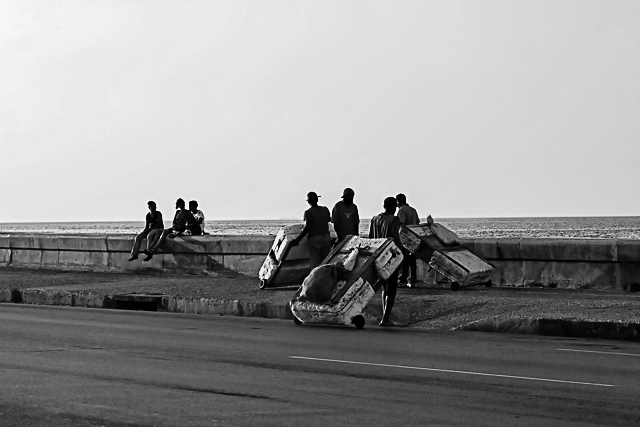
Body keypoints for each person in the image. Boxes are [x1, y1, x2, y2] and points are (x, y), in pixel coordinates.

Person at [369, 196, 403, 326]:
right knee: (391, 287)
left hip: (378, 257)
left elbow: (371, 238)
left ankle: (385, 317)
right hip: (390, 257)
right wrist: (401, 255)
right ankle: (386, 318)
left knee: (384, 286)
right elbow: (395, 237)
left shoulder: (374, 219)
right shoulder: (394, 219)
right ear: (394, 207)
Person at [290, 192, 332, 269]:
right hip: (326, 237)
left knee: (316, 262)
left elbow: (307, 227)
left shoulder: (308, 212)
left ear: (309, 202)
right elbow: (329, 219)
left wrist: (298, 240)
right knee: (326, 261)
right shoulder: (325, 209)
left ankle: (316, 278)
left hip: (315, 238)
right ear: (317, 200)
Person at [396, 193, 420, 288]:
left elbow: (401, 224)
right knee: (412, 260)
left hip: (405, 238)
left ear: (399, 201)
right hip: (414, 238)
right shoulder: (413, 210)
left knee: (405, 259)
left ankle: (403, 279)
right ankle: (413, 279)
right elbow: (417, 223)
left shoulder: (401, 210)